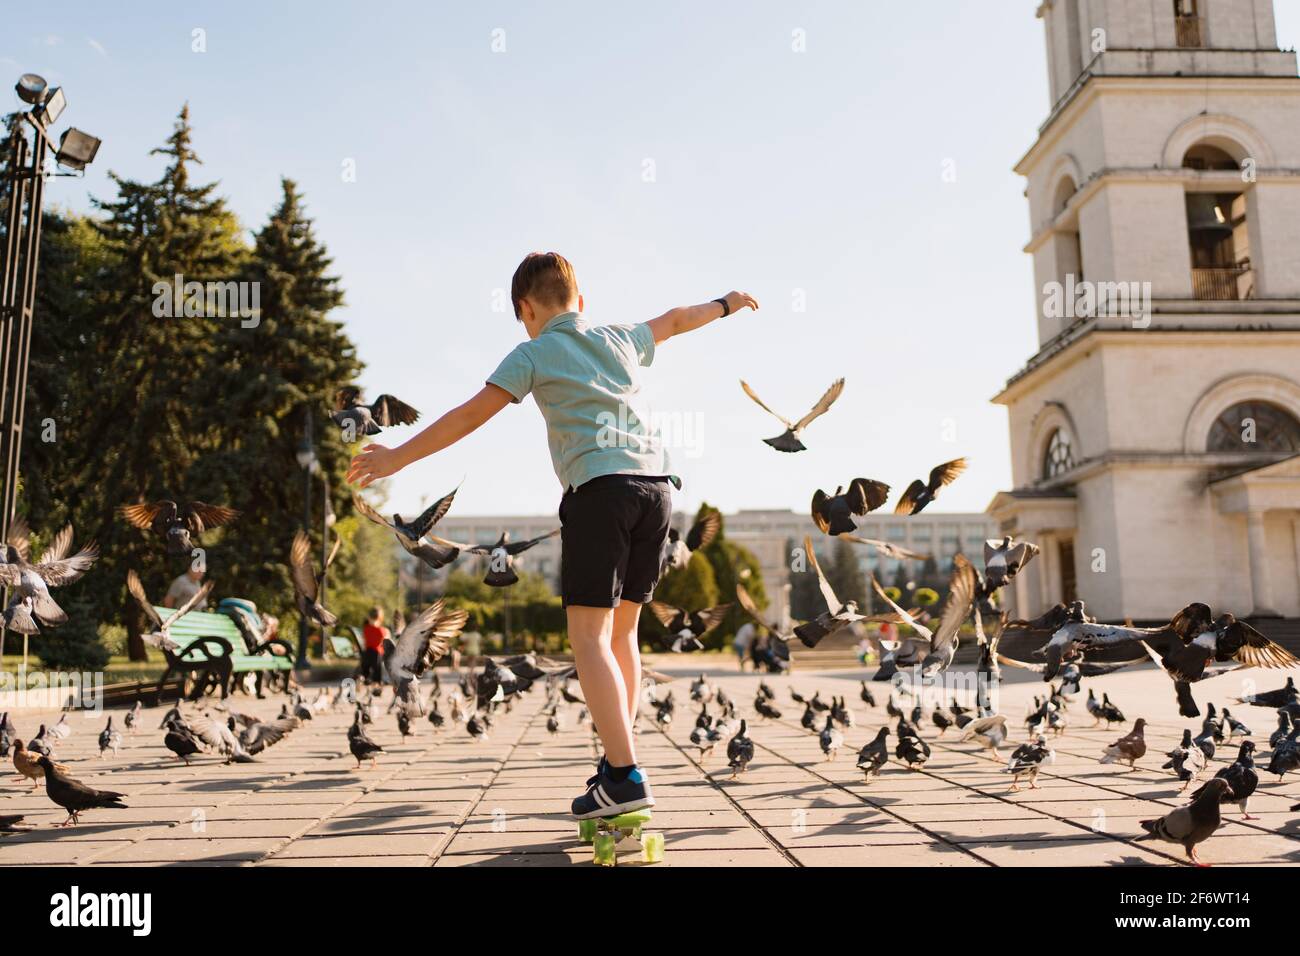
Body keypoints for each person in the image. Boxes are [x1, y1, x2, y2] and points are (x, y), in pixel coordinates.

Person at [347, 251, 757, 819]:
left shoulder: (534, 352)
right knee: (624, 636)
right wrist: (727, 305)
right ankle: (619, 767)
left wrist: (397, 457)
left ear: (525, 309)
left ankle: (626, 774)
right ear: (580, 300)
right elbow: (677, 318)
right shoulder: (619, 337)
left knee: (587, 637)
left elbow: (469, 415)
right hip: (658, 489)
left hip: (600, 492)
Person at [360, 607, 388, 686]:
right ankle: (377, 683)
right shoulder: (381, 630)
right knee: (377, 670)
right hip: (376, 653)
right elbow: (384, 640)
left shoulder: (366, 629)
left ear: (369, 617)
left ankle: (362, 678)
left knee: (365, 670)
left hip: (366, 652)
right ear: (380, 618)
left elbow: (364, 639)